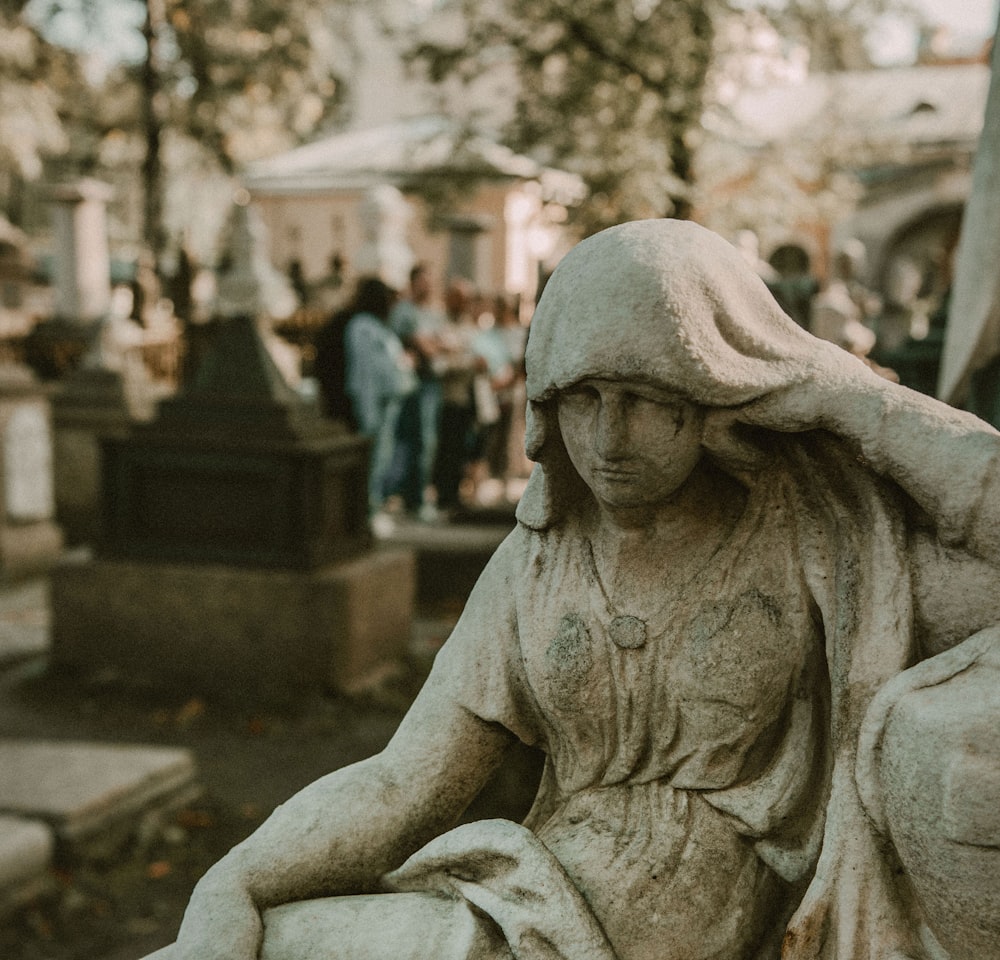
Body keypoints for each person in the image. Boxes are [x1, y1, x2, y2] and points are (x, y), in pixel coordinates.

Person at [154, 220, 1000, 960]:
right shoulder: (539, 559)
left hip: (662, 924)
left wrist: (847, 399)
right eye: (581, 398)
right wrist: (234, 882)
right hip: (528, 891)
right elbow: (404, 781)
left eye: (644, 398)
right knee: (244, 940)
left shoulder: (823, 541)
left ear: (716, 392)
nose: (607, 437)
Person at [342, 276, 415, 523]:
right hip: (374, 406)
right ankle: (366, 513)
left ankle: (371, 509)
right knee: (373, 463)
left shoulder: (379, 328)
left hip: (387, 405)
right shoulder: (362, 327)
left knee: (382, 460)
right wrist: (368, 411)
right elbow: (366, 373)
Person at [388, 263, 447, 517]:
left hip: (431, 384)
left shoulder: (433, 313)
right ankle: (405, 494)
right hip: (413, 384)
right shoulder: (404, 312)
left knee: (427, 441)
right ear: (413, 282)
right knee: (414, 440)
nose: (429, 286)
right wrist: (433, 344)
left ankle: (415, 495)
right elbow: (426, 346)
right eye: (424, 280)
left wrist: (436, 344)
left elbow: (444, 343)